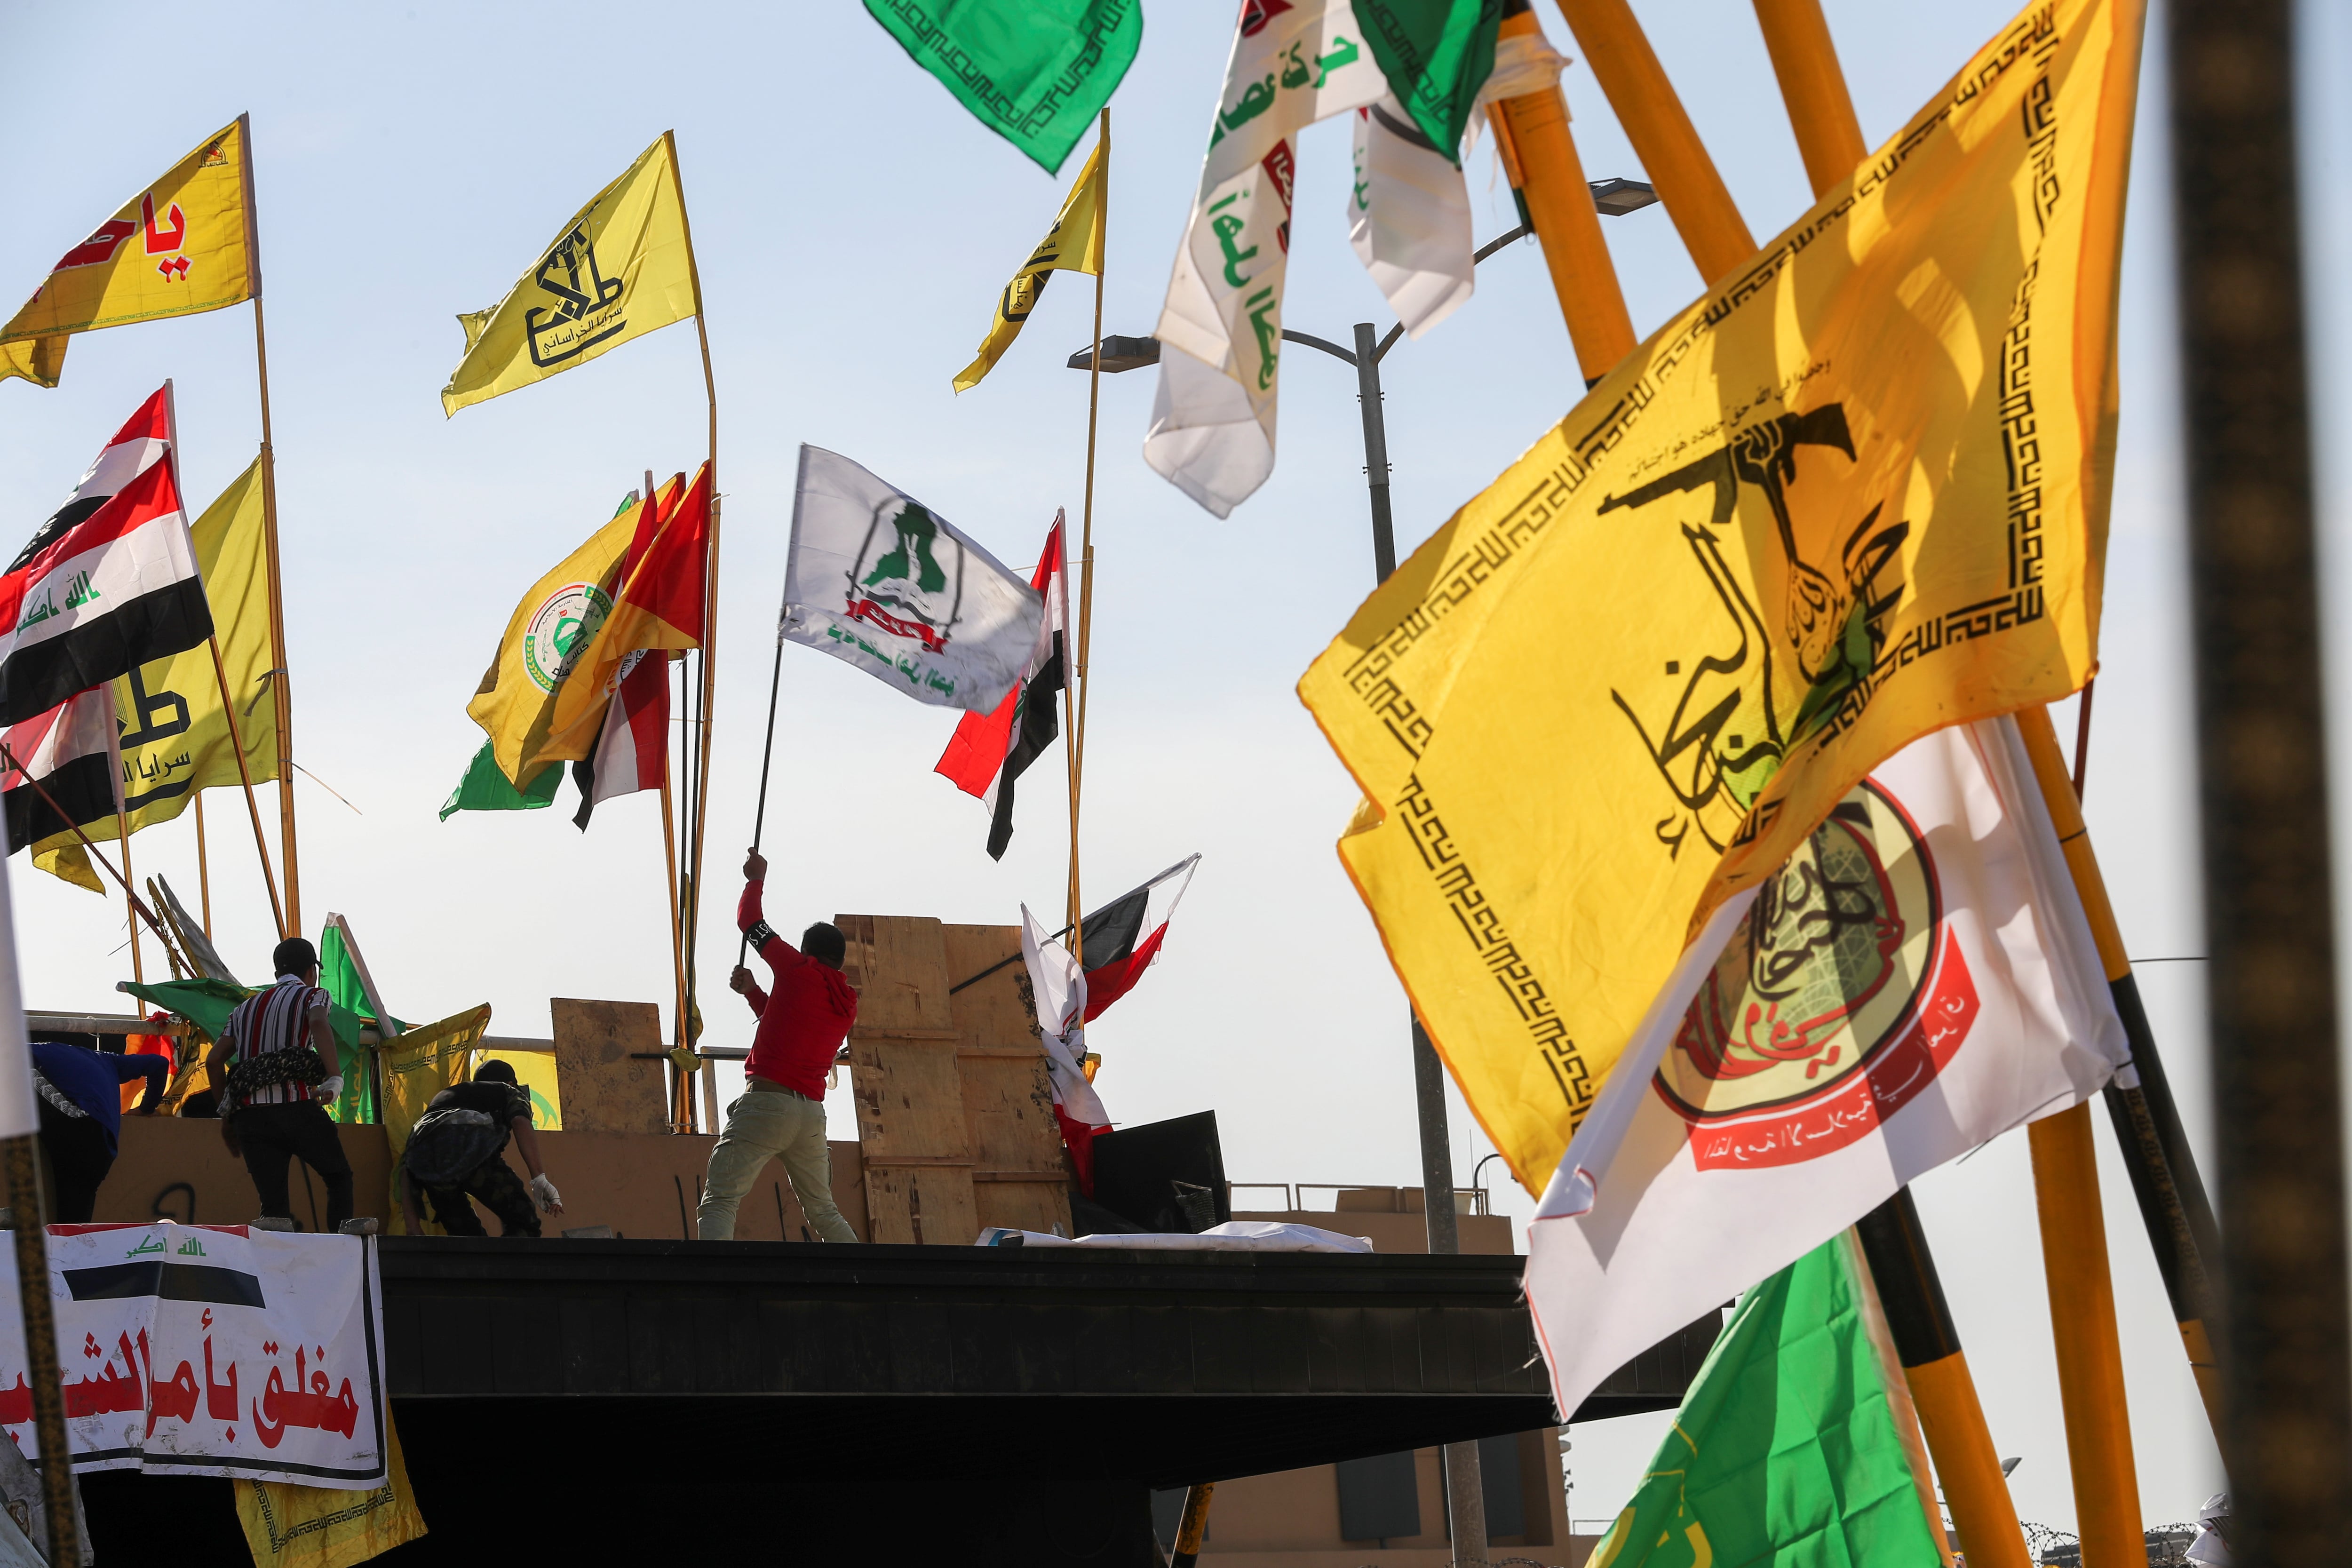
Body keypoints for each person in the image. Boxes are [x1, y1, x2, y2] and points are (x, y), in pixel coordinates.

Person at [695, 848, 859, 1242]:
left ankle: (712, 1290)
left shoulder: (796, 967)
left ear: (807, 952)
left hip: (767, 1104)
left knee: (720, 1200)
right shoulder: (846, 1002)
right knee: (824, 1211)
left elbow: (749, 921)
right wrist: (753, 992)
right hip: (810, 1117)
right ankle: (866, 1284)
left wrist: (756, 878)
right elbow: (787, 1021)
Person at [205, 936, 356, 1230]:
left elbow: (214, 1062)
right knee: (338, 1175)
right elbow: (318, 1023)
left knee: (273, 1211)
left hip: (252, 1120)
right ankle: (341, 1247)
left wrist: (229, 1114)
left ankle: (275, 1270)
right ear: (312, 971)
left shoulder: (243, 1009)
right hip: (295, 1107)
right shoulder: (314, 996)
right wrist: (335, 1076)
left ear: (277, 972)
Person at [397, 1059, 563, 1237]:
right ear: (511, 1083)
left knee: (466, 1236)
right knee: (523, 1220)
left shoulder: (443, 1102)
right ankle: (511, 1264)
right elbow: (520, 1121)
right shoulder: (508, 1090)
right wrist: (539, 1178)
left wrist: (412, 1226)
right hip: (468, 1142)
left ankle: (476, 1262)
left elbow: (410, 1164)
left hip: (427, 1160)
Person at [29, 1041, 167, 1222]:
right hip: (102, 1150)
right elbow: (159, 1064)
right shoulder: (108, 1060)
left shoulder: (28, 1049)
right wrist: (146, 1109)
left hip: (78, 1122)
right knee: (72, 1224)